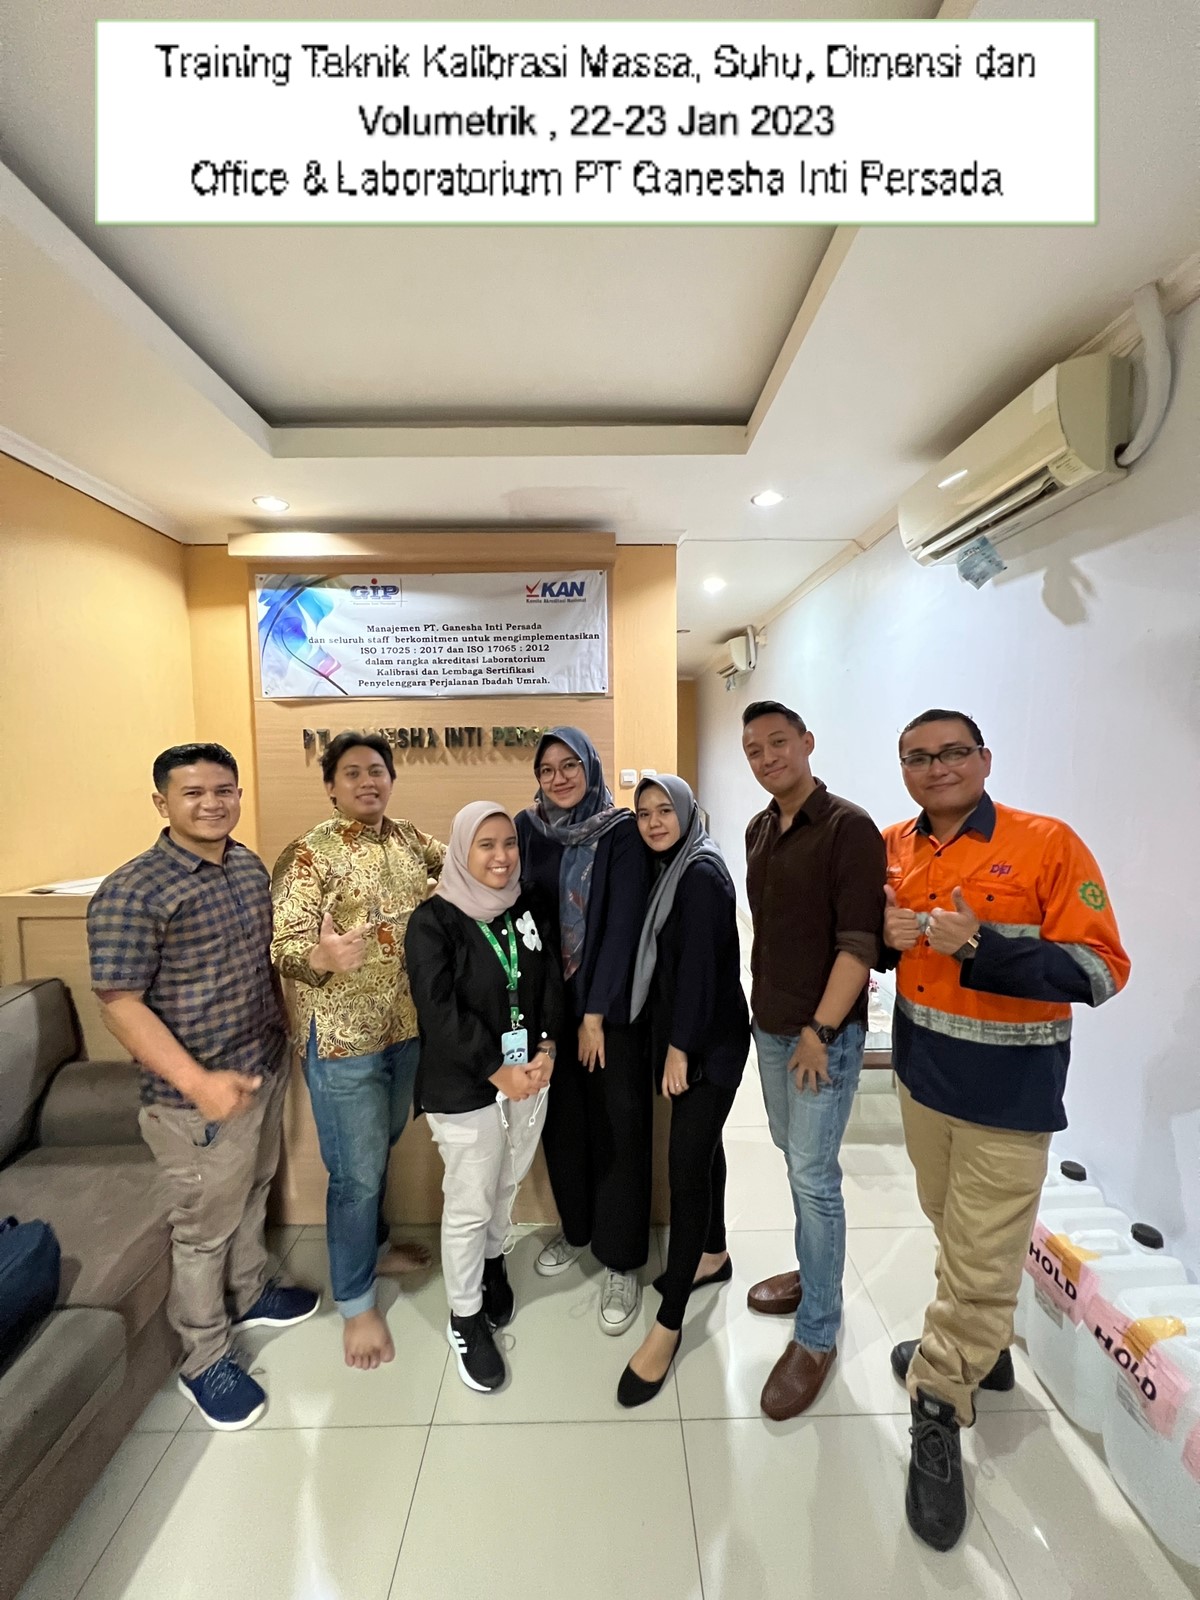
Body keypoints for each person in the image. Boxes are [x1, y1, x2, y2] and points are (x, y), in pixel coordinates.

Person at [880, 709, 1130, 1552]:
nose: (936, 767)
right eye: (918, 757)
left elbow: (1101, 971)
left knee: (983, 1251)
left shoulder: (1047, 844)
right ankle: (981, 1346)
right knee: (954, 1226)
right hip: (923, 1077)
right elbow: (888, 946)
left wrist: (982, 947)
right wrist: (886, 942)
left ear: (984, 759)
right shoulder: (895, 845)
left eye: (953, 752)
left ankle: (938, 1403)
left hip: (1009, 1091)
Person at [87, 743, 319, 1431]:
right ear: (162, 803)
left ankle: (251, 1291)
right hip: (193, 1098)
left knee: (253, 1190)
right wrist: (197, 1082)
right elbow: (119, 1005)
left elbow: (261, 959)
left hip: (259, 1068)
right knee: (202, 1231)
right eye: (194, 793)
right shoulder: (133, 891)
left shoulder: (245, 865)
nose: (212, 804)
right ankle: (203, 1359)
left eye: (224, 790)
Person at [270, 731, 446, 1371]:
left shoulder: (410, 841)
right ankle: (356, 1303)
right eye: (352, 773)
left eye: (377, 770)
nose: (368, 781)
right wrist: (320, 956)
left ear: (391, 780)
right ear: (331, 786)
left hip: (405, 1030)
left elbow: (463, 865)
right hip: (343, 1041)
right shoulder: (307, 854)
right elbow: (284, 947)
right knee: (355, 1174)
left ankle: (374, 1250)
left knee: (379, 1147)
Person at [741, 701, 886, 1417]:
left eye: (778, 743)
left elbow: (859, 944)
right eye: (754, 750)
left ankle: (818, 1332)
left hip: (818, 1037)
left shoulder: (849, 828)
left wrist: (820, 1033)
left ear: (807, 743)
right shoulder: (760, 829)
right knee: (792, 1154)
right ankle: (814, 1272)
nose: (767, 758)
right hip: (770, 1027)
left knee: (815, 1176)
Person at [405, 803, 562, 1392]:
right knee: (471, 1202)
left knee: (506, 1183)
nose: (501, 857)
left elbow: (549, 981)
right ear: (461, 850)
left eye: (509, 844)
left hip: (529, 1076)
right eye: (486, 845)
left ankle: (494, 1263)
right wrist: (498, 1069)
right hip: (466, 1084)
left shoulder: (524, 904)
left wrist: (547, 1047)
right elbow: (438, 1010)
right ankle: (465, 1318)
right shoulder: (434, 921)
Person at [617, 776, 750, 1408]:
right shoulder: (672, 866)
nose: (653, 821)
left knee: (686, 1168)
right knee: (705, 1148)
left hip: (707, 1046)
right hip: (694, 1037)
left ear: (687, 811)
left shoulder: (698, 875)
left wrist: (680, 1049)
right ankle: (713, 1253)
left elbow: (700, 971)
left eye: (663, 809)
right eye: (643, 812)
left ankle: (669, 1323)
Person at [515, 728, 652, 1335]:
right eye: (547, 769)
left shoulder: (620, 831)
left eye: (570, 765)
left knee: (619, 1126)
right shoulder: (528, 829)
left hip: (609, 1012)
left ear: (591, 766)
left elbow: (623, 925)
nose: (560, 778)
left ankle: (621, 1259)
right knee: (563, 1123)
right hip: (549, 1008)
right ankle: (577, 1231)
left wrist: (594, 1014)